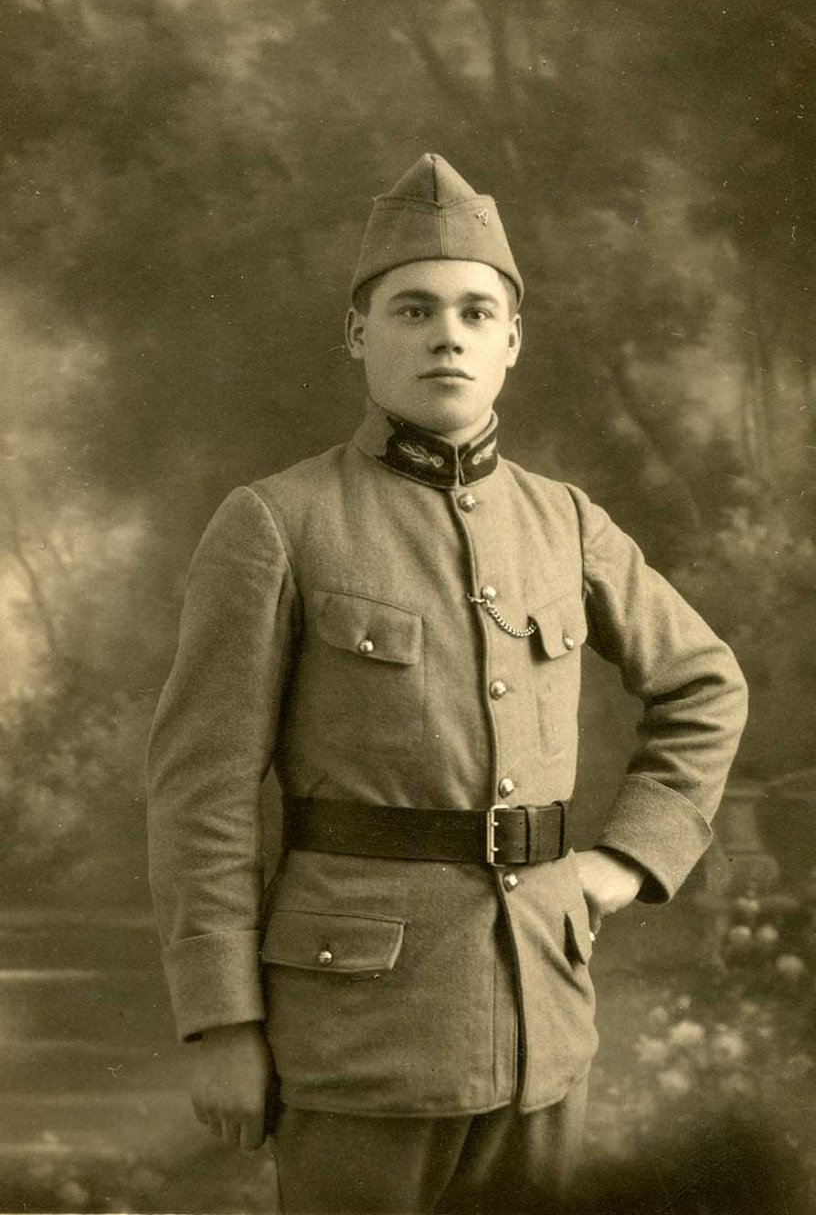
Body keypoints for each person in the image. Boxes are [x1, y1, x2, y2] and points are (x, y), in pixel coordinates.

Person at [146, 153, 749, 1213]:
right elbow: (203, 789)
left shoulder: (565, 521)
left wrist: (625, 860)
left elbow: (705, 684)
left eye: (477, 312)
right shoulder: (278, 522)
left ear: (513, 340)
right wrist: (222, 1021)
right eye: (413, 309)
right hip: (356, 1030)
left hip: (541, 1021)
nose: (447, 336)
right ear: (358, 334)